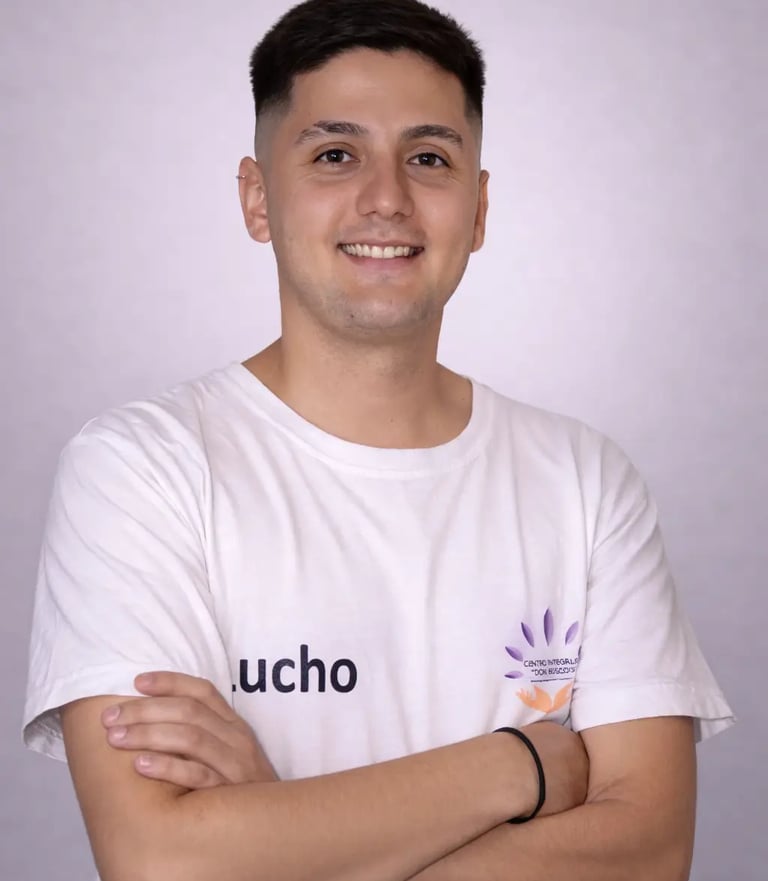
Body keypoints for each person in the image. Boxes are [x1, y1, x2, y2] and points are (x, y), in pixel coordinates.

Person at [23, 1, 734, 879]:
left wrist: (279, 833)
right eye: (335, 154)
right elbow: (159, 859)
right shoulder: (142, 471)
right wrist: (525, 764)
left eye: (428, 158)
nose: (387, 199)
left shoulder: (585, 482)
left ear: (478, 209)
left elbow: (649, 851)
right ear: (257, 198)